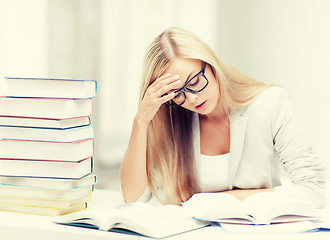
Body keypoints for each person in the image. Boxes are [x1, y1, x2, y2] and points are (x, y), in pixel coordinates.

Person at [119, 27, 326, 208]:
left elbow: (314, 190)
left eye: (195, 82)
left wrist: (229, 199)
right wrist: (141, 121)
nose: (191, 98)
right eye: (177, 93)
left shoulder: (269, 103)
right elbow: (133, 198)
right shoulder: (174, 119)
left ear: (211, 66)